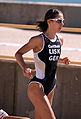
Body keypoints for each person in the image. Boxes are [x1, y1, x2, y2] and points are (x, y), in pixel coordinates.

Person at [15, 8, 70, 119]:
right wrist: (25, 68)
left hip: (51, 85)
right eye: (59, 21)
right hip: (37, 86)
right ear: (49, 22)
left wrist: (62, 60)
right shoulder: (38, 40)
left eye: (63, 21)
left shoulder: (60, 40)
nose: (62, 24)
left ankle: (4, 117)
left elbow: (50, 57)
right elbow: (18, 53)